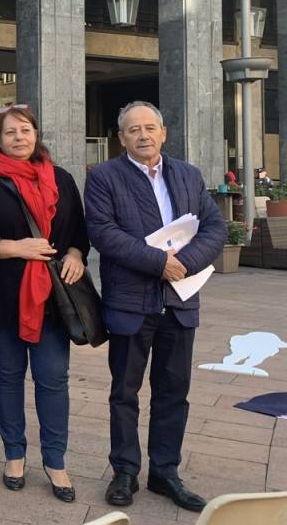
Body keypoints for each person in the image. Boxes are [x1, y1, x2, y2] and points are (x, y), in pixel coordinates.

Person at [85, 101, 225, 513]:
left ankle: (165, 472)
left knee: (173, 392)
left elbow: (214, 226)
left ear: (163, 133)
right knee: (124, 392)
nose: (143, 135)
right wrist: (158, 262)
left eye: (150, 128)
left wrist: (185, 264)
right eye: (133, 130)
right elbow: (103, 231)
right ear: (121, 137)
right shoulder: (105, 177)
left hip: (179, 301)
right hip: (130, 301)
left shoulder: (189, 174)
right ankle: (125, 471)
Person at [0, 105, 89, 503]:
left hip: (52, 299)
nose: (18, 137)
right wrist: (15, 248)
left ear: (36, 134)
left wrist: (77, 254)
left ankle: (55, 461)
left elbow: (80, 230)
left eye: (25, 130)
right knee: (8, 377)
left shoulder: (60, 178)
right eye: (9, 132)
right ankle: (14, 454)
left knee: (52, 379)